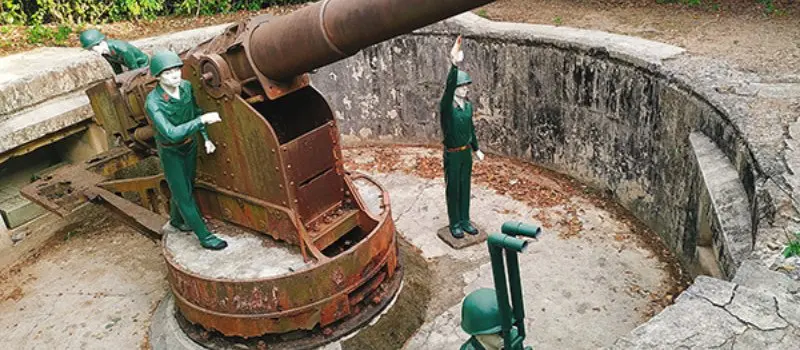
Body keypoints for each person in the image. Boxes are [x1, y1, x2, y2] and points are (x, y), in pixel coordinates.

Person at [145, 50, 227, 250]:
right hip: (170, 151)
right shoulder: (153, 103)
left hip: (189, 145)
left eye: (176, 70)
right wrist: (201, 121)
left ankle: (176, 221)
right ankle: (205, 237)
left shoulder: (186, 87)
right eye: (167, 73)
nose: (174, 75)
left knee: (185, 187)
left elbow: (196, 112)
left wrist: (206, 138)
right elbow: (171, 133)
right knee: (185, 196)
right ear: (157, 76)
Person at [440, 35, 485, 239]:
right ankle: (455, 222)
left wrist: (476, 148)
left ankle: (465, 219)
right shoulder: (447, 108)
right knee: (454, 189)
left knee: (465, 187)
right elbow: (448, 90)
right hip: (452, 154)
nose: (466, 88)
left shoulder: (467, 107)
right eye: (463, 85)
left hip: (466, 152)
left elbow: (471, 129)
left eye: (467, 85)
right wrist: (454, 64)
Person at [79, 29, 149, 74]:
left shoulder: (121, 49)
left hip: (142, 65)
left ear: (100, 43)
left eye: (92, 48)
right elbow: (115, 66)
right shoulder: (105, 52)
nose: (92, 51)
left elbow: (134, 67)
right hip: (132, 68)